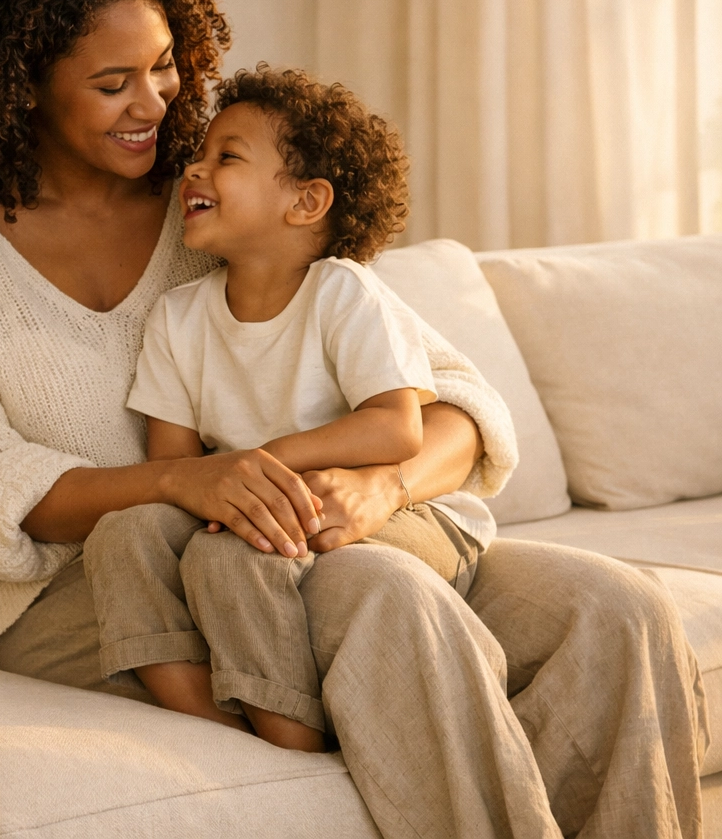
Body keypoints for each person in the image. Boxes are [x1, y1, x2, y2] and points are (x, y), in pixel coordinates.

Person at [0, 0, 707, 838]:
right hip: (80, 584)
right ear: (19, 84)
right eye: (114, 84)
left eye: (166, 66)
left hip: (297, 538)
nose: (158, 105)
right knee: (383, 600)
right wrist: (190, 480)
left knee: (615, 606)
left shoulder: (215, 193)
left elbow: (452, 398)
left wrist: (383, 490)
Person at [101, 65, 491, 755]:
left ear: (306, 202)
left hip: (406, 513)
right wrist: (231, 487)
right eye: (199, 154)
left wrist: (261, 465)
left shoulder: (344, 293)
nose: (194, 169)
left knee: (233, 557)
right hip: (268, 503)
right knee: (124, 533)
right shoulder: (178, 315)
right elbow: (173, 466)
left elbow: (396, 427)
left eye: (227, 156)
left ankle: (294, 742)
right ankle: (213, 727)